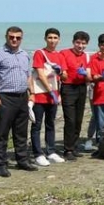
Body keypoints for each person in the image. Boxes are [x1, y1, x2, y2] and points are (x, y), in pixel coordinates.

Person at [0, 26, 36, 176]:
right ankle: (0, 164)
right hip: (5, 97)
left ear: (21, 38)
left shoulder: (24, 55)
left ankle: (22, 160)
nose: (14, 40)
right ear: (6, 37)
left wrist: (32, 92)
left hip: (22, 97)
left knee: (21, 132)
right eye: (11, 37)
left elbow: (28, 76)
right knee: (3, 132)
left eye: (18, 37)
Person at [30, 28, 66, 166]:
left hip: (53, 96)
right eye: (50, 37)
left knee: (50, 124)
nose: (52, 40)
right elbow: (40, 74)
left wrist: (60, 71)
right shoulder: (40, 53)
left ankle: (51, 151)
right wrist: (49, 90)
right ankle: (38, 153)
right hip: (40, 95)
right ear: (45, 38)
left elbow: (64, 76)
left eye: (55, 38)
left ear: (59, 40)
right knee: (37, 124)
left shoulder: (60, 55)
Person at [59, 31, 90, 160]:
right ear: (73, 42)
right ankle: (68, 149)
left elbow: (89, 75)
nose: (80, 46)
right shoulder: (64, 53)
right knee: (70, 120)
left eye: (83, 43)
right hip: (68, 88)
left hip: (81, 87)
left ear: (86, 44)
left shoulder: (86, 56)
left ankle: (74, 146)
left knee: (78, 119)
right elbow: (63, 73)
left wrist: (86, 74)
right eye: (78, 43)